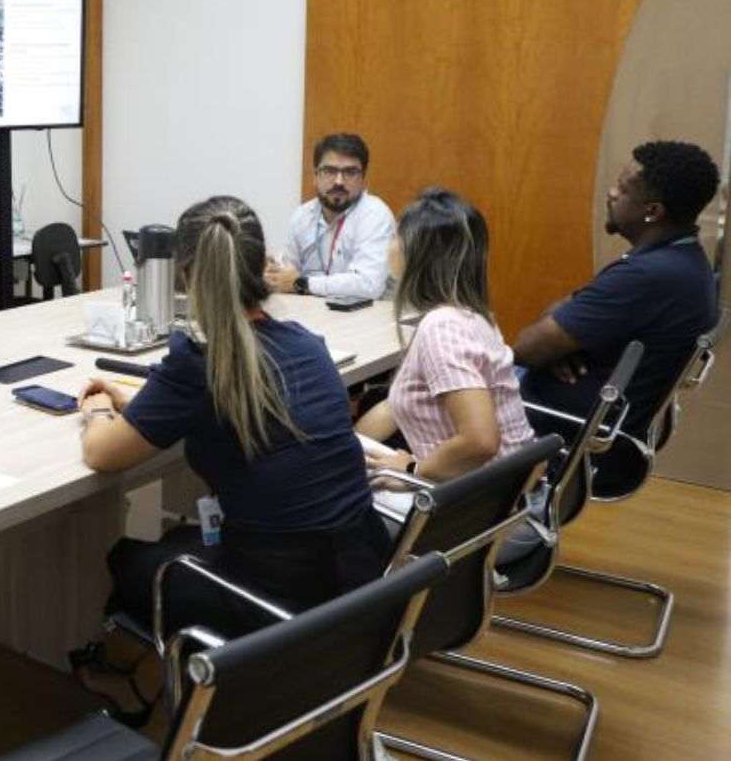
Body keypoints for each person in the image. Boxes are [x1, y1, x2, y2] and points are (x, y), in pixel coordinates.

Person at [79, 196, 390, 637]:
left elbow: (101, 454)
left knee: (127, 558)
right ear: (263, 266)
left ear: (184, 275)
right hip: (363, 580)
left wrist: (96, 408)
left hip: (280, 602)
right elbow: (237, 411)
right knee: (180, 540)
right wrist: (146, 408)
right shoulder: (306, 343)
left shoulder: (199, 363)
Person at [356, 188, 542, 563]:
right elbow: (394, 407)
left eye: (395, 236)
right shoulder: (470, 316)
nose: (389, 246)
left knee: (325, 502)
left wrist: (413, 469)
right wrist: (347, 446)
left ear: (417, 253)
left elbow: (480, 441)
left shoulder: (442, 328)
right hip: (509, 502)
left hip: (487, 521)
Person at [515, 141, 721, 437]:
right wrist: (560, 344)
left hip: (559, 423)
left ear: (652, 211)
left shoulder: (646, 276)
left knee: (458, 385)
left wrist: (555, 345)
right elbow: (553, 330)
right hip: (595, 418)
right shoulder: (682, 261)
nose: (611, 193)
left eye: (623, 189)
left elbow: (526, 349)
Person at [266, 132, 395, 300]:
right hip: (308, 311)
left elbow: (368, 285)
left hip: (363, 314)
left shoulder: (375, 215)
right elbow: (288, 273)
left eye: (350, 172)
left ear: (363, 179)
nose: (339, 181)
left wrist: (302, 283)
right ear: (315, 176)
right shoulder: (302, 216)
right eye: (329, 171)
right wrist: (273, 273)